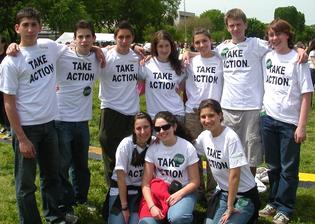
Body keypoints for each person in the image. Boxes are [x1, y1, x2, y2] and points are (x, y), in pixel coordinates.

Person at [0, 7, 70, 224]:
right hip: (26, 128)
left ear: (40, 27)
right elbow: (8, 103)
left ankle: (54, 217)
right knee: (26, 184)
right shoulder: (11, 61)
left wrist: (97, 49)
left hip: (50, 125)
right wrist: (21, 138)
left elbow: (79, 45)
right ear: (17, 28)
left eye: (34, 24)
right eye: (25, 25)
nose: (30, 29)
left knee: (51, 177)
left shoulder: (49, 47)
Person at [259, 19, 313, 224]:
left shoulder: (298, 60)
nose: (274, 38)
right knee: (273, 166)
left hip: (289, 123)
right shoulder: (267, 56)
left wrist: (302, 125)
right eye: (271, 35)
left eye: (278, 34)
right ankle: (273, 202)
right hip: (268, 119)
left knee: (289, 168)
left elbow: (307, 95)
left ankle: (285, 208)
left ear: (287, 35)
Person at [54, 20, 101, 213]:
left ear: (93, 38)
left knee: (81, 164)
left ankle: (81, 199)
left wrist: (97, 49)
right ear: (74, 39)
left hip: (82, 120)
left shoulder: (97, 58)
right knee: (63, 166)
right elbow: (34, 47)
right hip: (61, 119)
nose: (84, 40)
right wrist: (13, 46)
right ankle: (65, 203)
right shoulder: (61, 54)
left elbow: (120, 47)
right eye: (80, 36)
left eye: (87, 36)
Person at [195, 99, 260, 224]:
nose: (207, 120)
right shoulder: (204, 137)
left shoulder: (231, 138)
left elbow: (234, 175)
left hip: (244, 194)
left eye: (211, 115)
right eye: (203, 116)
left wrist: (230, 207)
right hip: (223, 193)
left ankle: (251, 215)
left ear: (220, 115)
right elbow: (189, 150)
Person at [139, 111, 200, 224]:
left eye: (165, 127)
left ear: (174, 127)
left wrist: (180, 194)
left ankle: (185, 216)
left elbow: (195, 182)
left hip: (183, 190)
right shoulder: (153, 149)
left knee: (178, 218)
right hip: (158, 191)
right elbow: (146, 184)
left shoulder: (187, 147)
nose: (161, 131)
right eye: (157, 129)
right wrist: (152, 207)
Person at [98, 20, 140, 184]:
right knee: (110, 152)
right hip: (111, 109)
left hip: (132, 112)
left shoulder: (137, 57)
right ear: (115, 38)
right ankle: (113, 188)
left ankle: (129, 186)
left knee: (129, 152)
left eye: (127, 37)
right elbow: (79, 48)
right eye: (120, 37)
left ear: (132, 38)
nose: (124, 41)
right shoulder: (104, 55)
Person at [184, 28, 223, 200]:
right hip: (193, 112)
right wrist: (187, 53)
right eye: (197, 42)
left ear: (211, 41)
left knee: (215, 152)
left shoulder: (220, 60)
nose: (201, 45)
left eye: (204, 41)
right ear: (194, 44)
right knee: (194, 153)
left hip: (213, 113)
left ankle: (213, 190)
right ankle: (197, 188)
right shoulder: (190, 62)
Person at [107, 112, 154, 224]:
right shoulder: (125, 145)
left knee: (134, 222)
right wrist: (124, 207)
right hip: (121, 188)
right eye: (138, 128)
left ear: (151, 127)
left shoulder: (155, 142)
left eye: (146, 127)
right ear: (133, 130)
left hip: (141, 190)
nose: (143, 132)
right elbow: (120, 178)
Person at [139, 30, 185, 121]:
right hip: (155, 117)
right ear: (155, 47)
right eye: (160, 46)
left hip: (176, 115)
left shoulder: (179, 66)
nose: (164, 50)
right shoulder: (147, 64)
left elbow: (181, 88)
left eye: (167, 45)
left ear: (171, 46)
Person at [0, 34, 11, 138]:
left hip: (6, 86)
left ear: (3, 44)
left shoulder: (7, 56)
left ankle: (9, 126)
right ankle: (4, 125)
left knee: (6, 106)